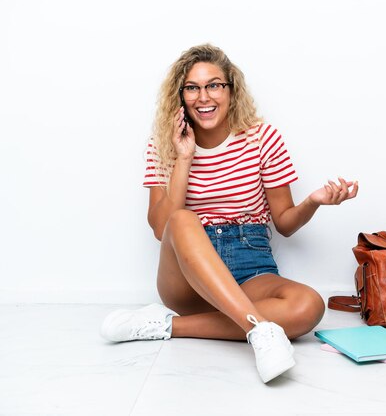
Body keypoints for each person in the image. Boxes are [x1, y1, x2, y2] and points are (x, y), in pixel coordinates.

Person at [100, 43, 358, 383]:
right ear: (180, 95)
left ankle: (166, 326)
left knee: (309, 305)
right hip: (188, 278)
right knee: (182, 218)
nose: (203, 97)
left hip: (251, 266)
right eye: (192, 87)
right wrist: (184, 157)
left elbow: (285, 224)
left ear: (231, 90)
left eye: (214, 85)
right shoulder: (162, 143)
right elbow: (163, 228)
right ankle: (261, 332)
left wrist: (313, 201)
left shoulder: (263, 138)